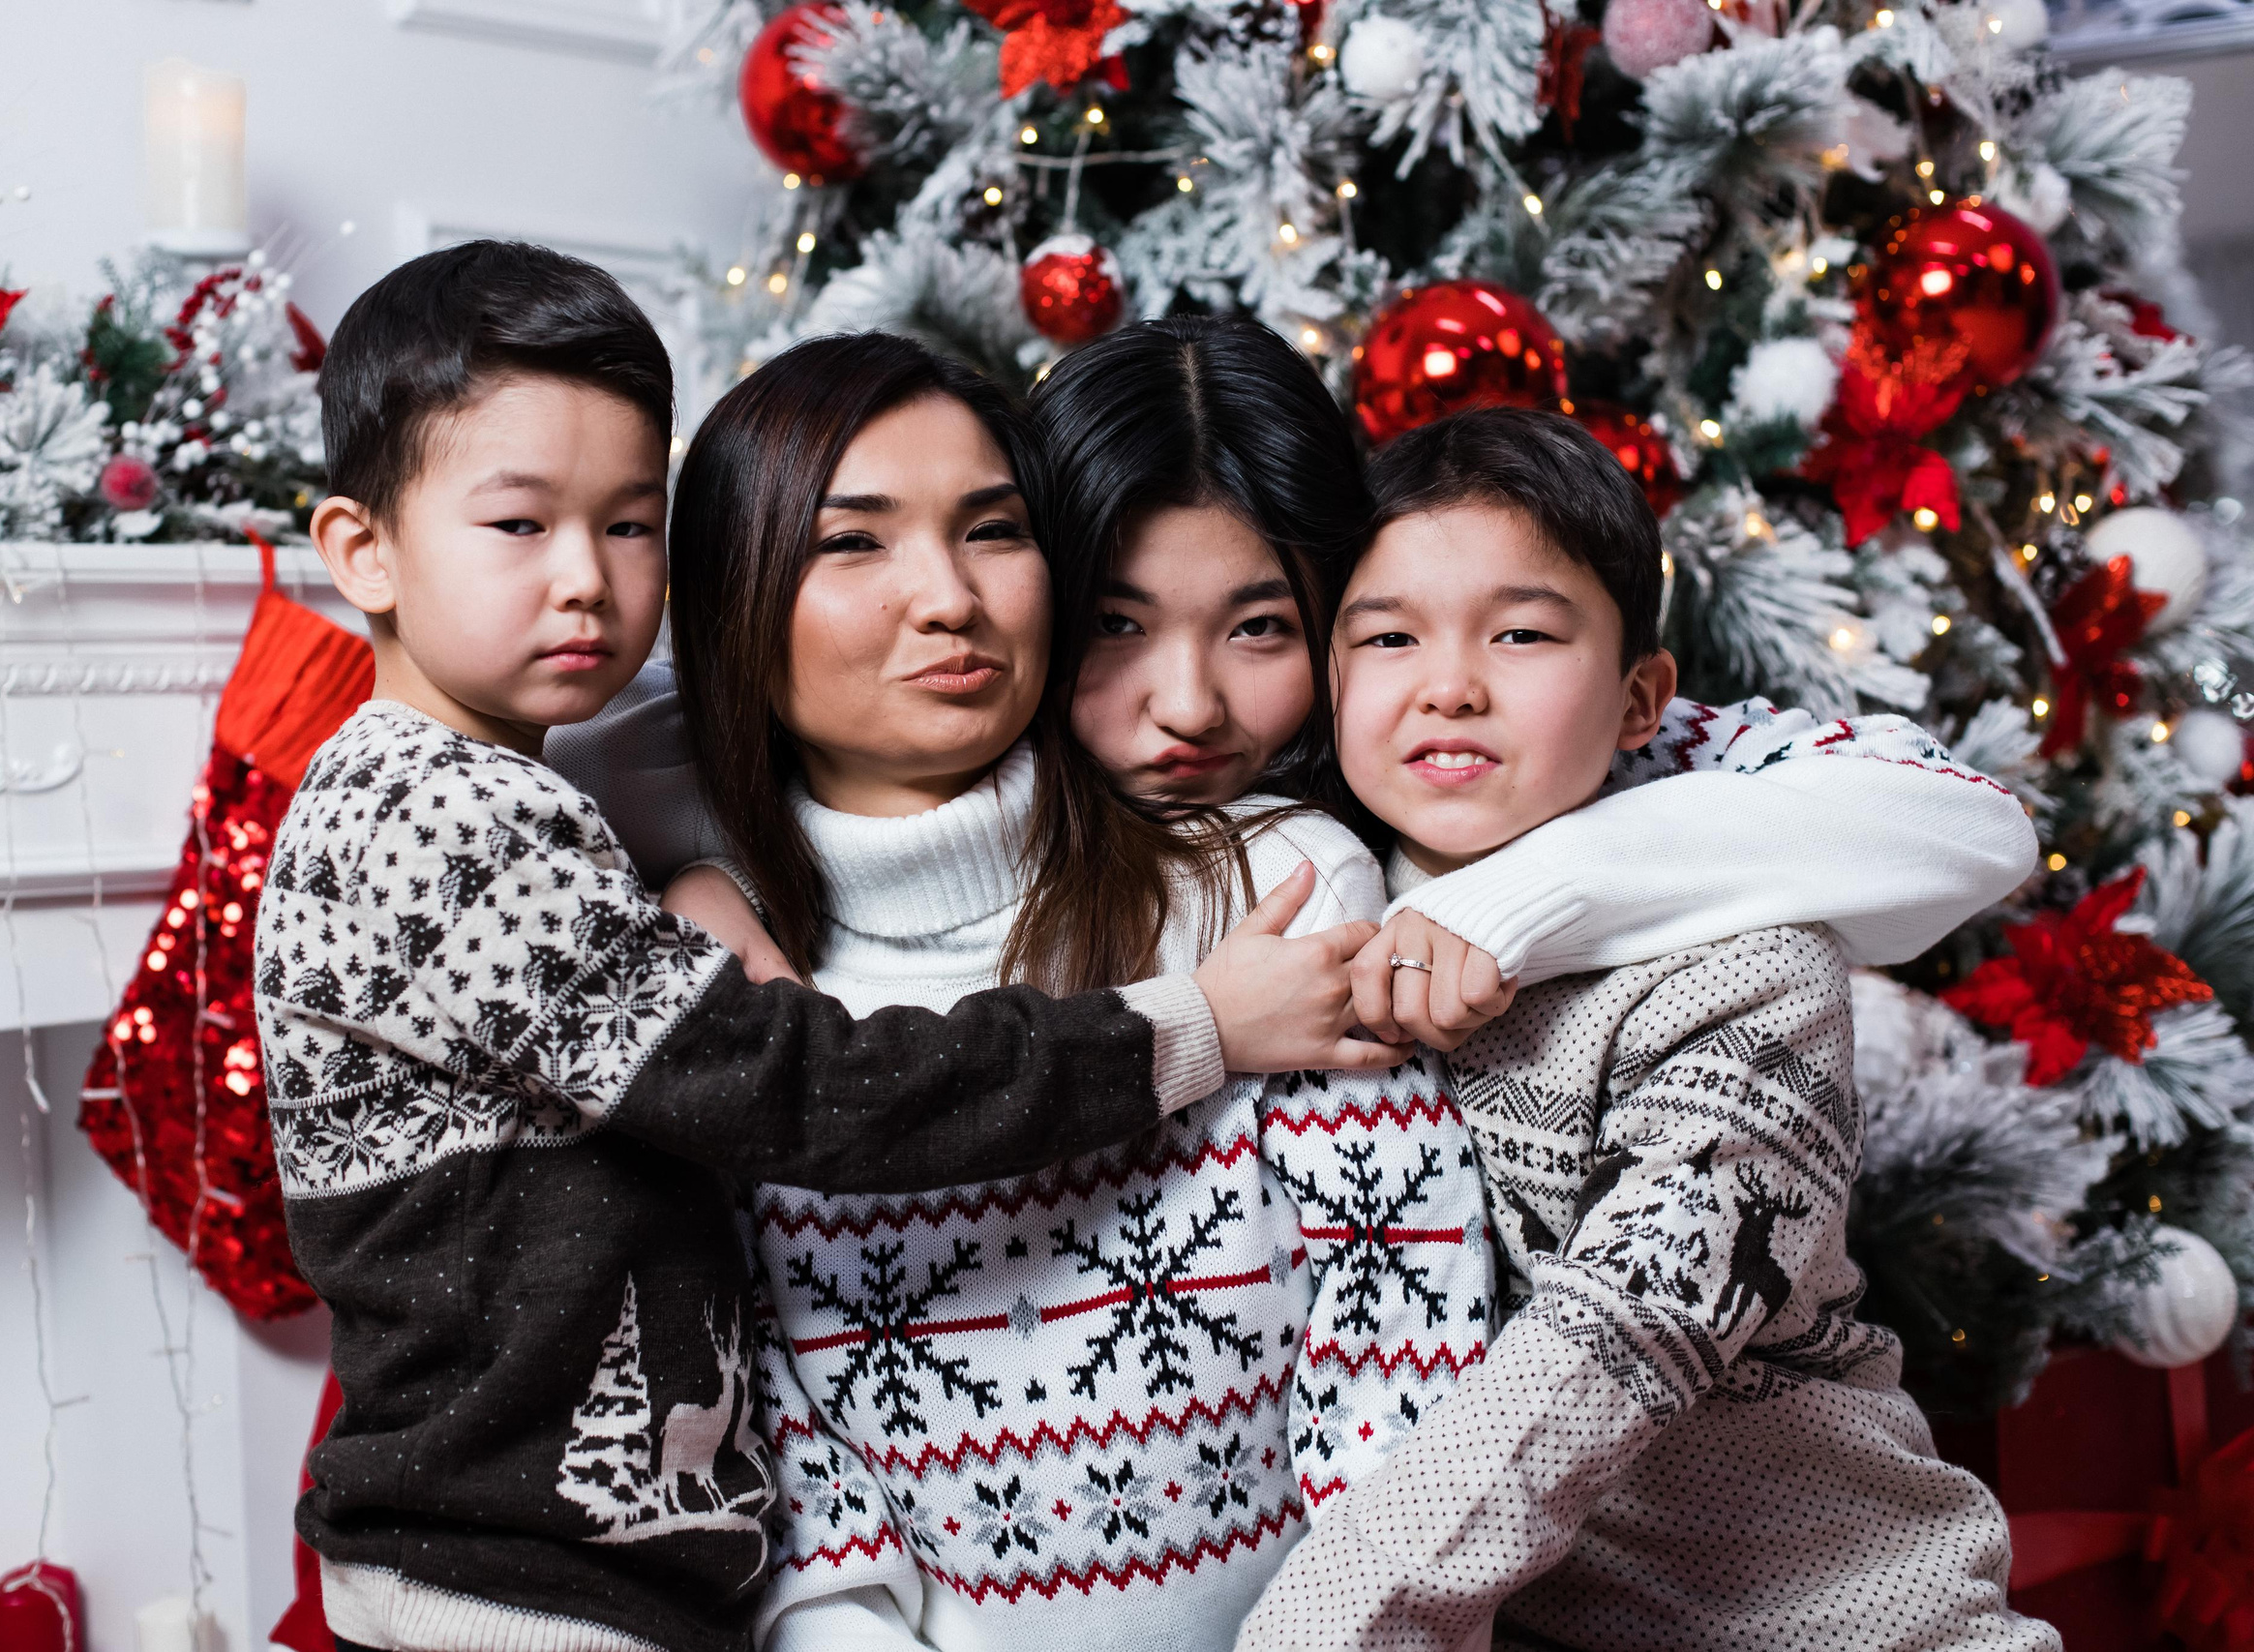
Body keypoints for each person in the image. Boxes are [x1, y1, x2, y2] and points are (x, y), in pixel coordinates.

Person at [626, 320, 2038, 1652]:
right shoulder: (793, 895)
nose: (1188, 708)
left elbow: (1968, 823)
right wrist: (703, 883)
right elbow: (652, 748)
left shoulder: (1415, 853)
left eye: (1262, 628)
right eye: (1117, 626)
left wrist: (1508, 904)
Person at [255, 241, 1398, 1652]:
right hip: (514, 1576)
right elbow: (798, 1089)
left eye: (628, 527)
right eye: (518, 527)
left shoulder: (559, 795)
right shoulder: (443, 817)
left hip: (618, 1567)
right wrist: (1195, 1025)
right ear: (360, 550)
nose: (589, 586)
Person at [1235, 407, 2052, 1652]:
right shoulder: (1297, 930)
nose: (1449, 683)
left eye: (1519, 634)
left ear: (1641, 702)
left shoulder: (1750, 978)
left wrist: (1330, 1624)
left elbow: (1610, 1344)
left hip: (1851, 1624)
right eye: (1389, 636)